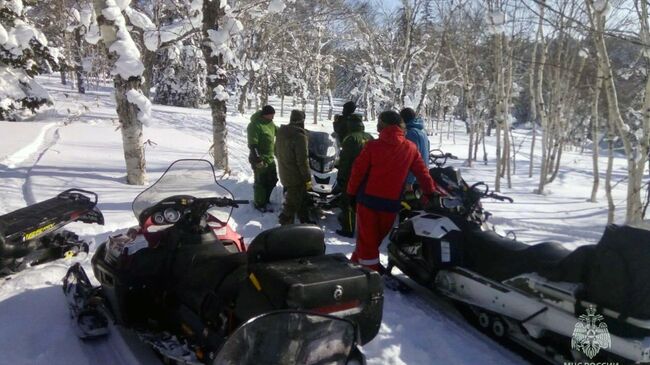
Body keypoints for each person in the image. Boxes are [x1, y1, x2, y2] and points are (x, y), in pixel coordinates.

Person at [347, 110, 444, 272]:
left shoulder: (372, 146)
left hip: (368, 203)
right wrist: (430, 192)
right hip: (391, 205)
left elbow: (357, 172)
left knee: (367, 242)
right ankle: (356, 265)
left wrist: (350, 194)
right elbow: (423, 173)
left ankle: (369, 275)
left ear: (383, 125)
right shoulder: (411, 148)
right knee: (371, 242)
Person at [335, 114, 373, 238]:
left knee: (348, 202)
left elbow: (345, 160)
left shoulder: (350, 138)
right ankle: (366, 229)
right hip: (369, 175)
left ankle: (348, 229)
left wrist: (341, 176)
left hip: (353, 174)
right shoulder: (370, 137)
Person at [275, 110, 312, 225]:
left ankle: (304, 220)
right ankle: (284, 224)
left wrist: (285, 162)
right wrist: (307, 178)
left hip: (284, 170)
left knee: (302, 198)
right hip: (296, 175)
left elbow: (275, 151)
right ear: (302, 120)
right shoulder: (300, 136)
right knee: (292, 203)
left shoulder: (281, 132)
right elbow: (302, 160)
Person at [247, 105, 278, 212]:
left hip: (270, 158)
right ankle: (259, 203)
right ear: (266, 114)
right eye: (271, 115)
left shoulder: (270, 123)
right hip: (259, 158)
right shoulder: (254, 125)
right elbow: (253, 145)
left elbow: (279, 132)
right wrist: (258, 159)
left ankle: (266, 199)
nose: (273, 117)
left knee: (272, 180)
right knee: (261, 182)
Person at [400, 107, 430, 193]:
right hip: (422, 175)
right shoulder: (422, 132)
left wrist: (409, 181)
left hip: (413, 178)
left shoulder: (411, 133)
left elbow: (412, 158)